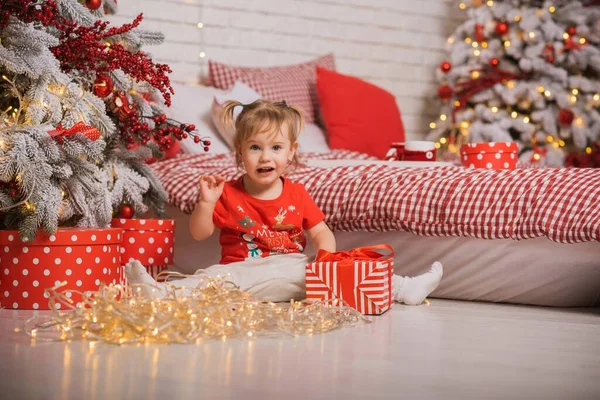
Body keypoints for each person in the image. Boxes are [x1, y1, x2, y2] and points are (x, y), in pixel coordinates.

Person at [126, 99, 443, 305]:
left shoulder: (297, 194)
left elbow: (320, 233)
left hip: (292, 267)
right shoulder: (230, 192)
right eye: (255, 148)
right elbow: (198, 233)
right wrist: (206, 203)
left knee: (346, 268)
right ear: (239, 152)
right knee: (210, 280)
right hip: (241, 270)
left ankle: (403, 288)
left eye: (276, 147)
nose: (266, 156)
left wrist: (325, 259)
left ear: (291, 151)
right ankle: (159, 294)